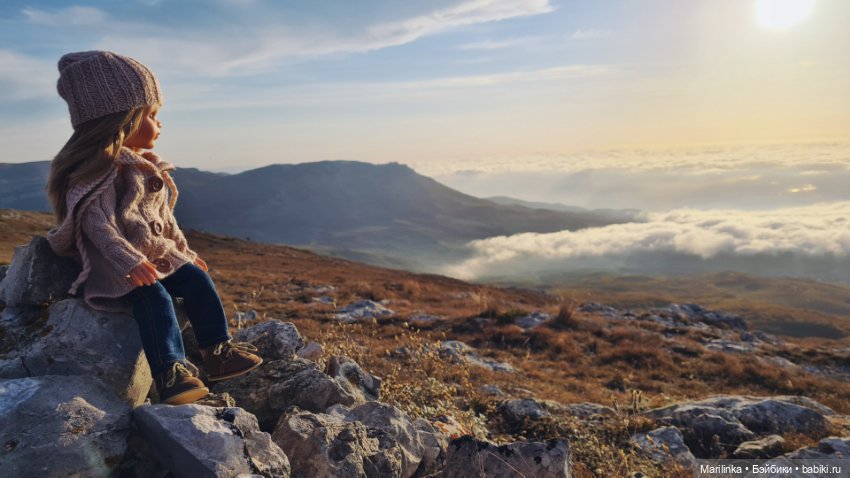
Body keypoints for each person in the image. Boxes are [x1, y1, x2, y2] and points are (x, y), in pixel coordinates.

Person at [44, 51, 263, 405]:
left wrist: (185, 253)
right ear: (120, 119)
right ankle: (170, 373)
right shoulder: (98, 174)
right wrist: (129, 261)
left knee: (197, 280)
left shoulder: (145, 167)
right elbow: (98, 225)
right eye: (150, 115)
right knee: (154, 298)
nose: (159, 124)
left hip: (153, 257)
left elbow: (166, 221)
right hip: (116, 267)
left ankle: (217, 352)